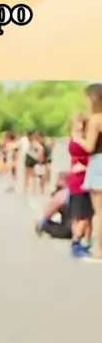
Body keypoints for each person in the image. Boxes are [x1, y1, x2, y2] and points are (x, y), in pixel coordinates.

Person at [74, 84, 102, 262]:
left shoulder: (96, 119)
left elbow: (90, 147)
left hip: (99, 163)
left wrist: (78, 138)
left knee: (100, 212)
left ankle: (99, 250)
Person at [67, 114, 93, 258]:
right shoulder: (79, 140)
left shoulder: (75, 139)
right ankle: (76, 241)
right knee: (84, 215)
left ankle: (83, 242)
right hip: (81, 182)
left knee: (82, 216)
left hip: (78, 180)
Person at [35, 173, 72, 240]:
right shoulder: (76, 192)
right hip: (82, 228)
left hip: (68, 230)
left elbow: (47, 214)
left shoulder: (61, 194)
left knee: (43, 223)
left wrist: (41, 223)